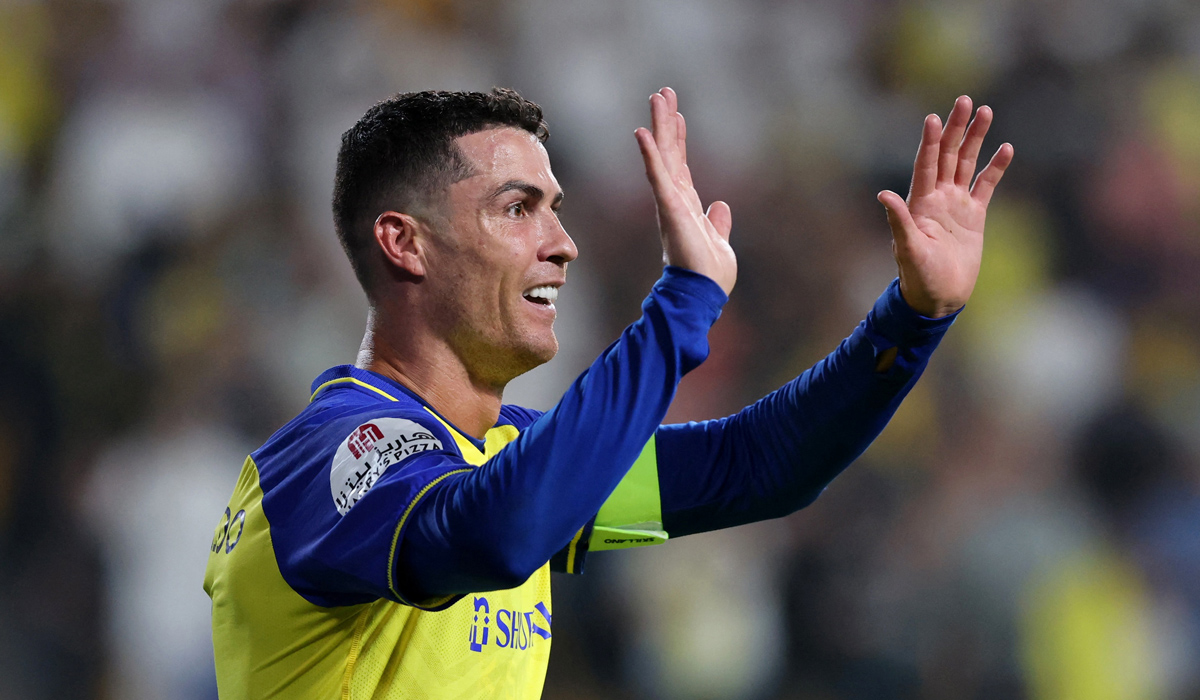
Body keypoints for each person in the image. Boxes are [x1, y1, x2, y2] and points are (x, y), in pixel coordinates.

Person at [204, 87, 1012, 698]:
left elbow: (759, 465)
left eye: (556, 210)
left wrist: (911, 318)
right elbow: (495, 535)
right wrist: (681, 305)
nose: (563, 245)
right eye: (517, 209)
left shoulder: (500, 457)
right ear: (404, 243)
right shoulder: (329, 455)